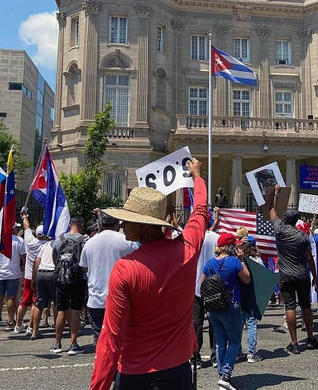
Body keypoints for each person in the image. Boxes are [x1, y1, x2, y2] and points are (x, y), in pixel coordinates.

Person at [90, 157, 207, 390]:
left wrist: (98, 387)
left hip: (136, 374)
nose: (122, 225)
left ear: (144, 226)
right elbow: (201, 211)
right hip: (178, 371)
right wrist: (197, 177)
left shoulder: (125, 268)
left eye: (128, 221)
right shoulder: (188, 250)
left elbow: (111, 338)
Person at [269, 185, 318, 355]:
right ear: (298, 220)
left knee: (290, 307)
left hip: (286, 275)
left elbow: (272, 211)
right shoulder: (303, 236)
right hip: (302, 273)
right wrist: (314, 275)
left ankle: (294, 342)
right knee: (306, 306)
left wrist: (276, 195)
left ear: (286, 219)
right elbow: (309, 257)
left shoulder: (280, 230)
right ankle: (311, 337)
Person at [201, 233, 250, 389]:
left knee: (220, 342)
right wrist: (242, 260)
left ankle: (222, 376)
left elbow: (202, 284)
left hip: (213, 307)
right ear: (231, 247)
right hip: (231, 305)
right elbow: (246, 279)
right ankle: (226, 374)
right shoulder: (234, 262)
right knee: (234, 341)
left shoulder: (209, 263)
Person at [80, 213, 138, 346]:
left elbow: (84, 267)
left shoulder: (90, 242)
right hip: (121, 297)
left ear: (101, 224)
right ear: (117, 223)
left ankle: (103, 364)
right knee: (122, 338)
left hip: (96, 298)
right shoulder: (126, 241)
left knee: (101, 340)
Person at [51, 217, 88, 355]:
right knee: (75, 310)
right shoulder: (84, 240)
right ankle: (73, 344)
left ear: (69, 225)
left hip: (61, 278)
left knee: (61, 310)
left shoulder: (59, 239)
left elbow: (54, 256)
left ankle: (57, 343)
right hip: (78, 279)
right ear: (81, 225)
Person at [193, 207, 220, 369]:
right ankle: (216, 355)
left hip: (196, 285)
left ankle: (195, 357)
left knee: (196, 322)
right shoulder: (216, 238)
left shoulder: (193, 238)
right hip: (214, 285)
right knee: (214, 322)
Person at [0, 226, 26, 332]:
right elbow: (23, 257)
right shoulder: (19, 240)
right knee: (11, 298)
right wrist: (23, 267)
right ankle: (10, 322)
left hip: (0, 273)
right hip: (13, 273)